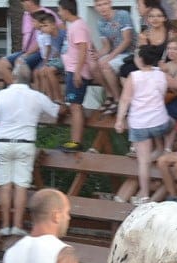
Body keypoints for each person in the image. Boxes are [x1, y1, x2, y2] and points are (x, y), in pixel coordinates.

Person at [0, 63, 61, 237]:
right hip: (25, 143)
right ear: (30, 79)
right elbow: (56, 111)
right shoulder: (36, 96)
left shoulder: (1, 95)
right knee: (20, 187)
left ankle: (5, 225)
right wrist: (58, 99)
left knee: (4, 186)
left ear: (13, 76)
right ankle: (17, 225)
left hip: (3, 142)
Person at [115, 45, 172, 206]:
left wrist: (119, 120)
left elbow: (125, 100)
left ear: (139, 59)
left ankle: (145, 195)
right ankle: (165, 147)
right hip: (159, 122)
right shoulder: (162, 75)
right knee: (172, 123)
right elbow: (174, 87)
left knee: (143, 162)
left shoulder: (134, 76)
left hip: (140, 124)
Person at [57, 0, 93, 153]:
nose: (58, 13)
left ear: (66, 10)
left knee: (75, 107)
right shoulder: (74, 25)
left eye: (59, 10)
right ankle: (75, 140)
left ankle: (76, 142)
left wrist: (77, 72)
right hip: (71, 70)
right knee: (75, 106)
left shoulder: (78, 26)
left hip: (77, 72)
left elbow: (83, 49)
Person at [94, 0, 136, 114]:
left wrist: (109, 57)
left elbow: (127, 41)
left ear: (110, 4)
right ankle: (110, 96)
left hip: (130, 53)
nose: (102, 7)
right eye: (99, 5)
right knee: (94, 65)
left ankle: (118, 100)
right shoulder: (100, 22)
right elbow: (107, 47)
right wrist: (96, 55)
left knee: (106, 65)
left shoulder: (122, 15)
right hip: (116, 54)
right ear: (95, 7)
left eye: (105, 4)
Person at [32, 11, 66, 103]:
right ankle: (50, 99)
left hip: (66, 61)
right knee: (43, 71)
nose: (43, 28)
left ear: (53, 25)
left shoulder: (63, 34)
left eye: (45, 25)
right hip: (57, 61)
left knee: (48, 70)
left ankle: (58, 98)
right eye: (42, 26)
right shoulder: (49, 36)